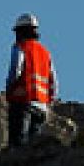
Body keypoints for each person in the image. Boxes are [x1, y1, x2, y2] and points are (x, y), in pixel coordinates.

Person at [5, 12, 57, 148]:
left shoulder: (20, 47)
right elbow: (54, 83)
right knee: (33, 148)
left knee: (18, 144)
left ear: (21, 31)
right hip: (41, 106)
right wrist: (49, 101)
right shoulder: (46, 53)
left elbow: (15, 71)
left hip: (22, 102)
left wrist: (9, 90)